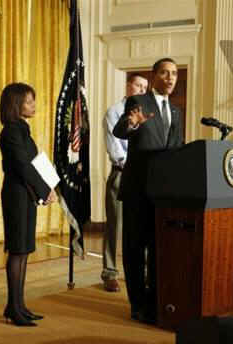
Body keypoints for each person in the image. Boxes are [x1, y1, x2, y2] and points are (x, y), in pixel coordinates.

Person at [113, 58, 183, 323]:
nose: (170, 77)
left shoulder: (176, 112)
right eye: (165, 72)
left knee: (158, 249)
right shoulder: (139, 103)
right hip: (137, 190)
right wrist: (133, 124)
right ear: (154, 76)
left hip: (163, 192)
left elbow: (176, 149)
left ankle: (155, 300)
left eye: (174, 73)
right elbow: (120, 130)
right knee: (134, 250)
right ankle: (138, 304)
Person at [0, 83, 57, 327]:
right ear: (16, 104)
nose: (34, 105)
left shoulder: (22, 130)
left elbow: (34, 163)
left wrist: (50, 186)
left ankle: (18, 305)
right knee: (17, 249)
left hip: (26, 194)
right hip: (17, 195)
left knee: (24, 250)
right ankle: (13, 307)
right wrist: (45, 189)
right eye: (29, 101)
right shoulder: (12, 132)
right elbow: (24, 166)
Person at [101, 73, 148, 292]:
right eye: (138, 85)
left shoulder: (146, 113)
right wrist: (132, 162)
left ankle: (144, 271)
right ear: (128, 86)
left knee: (142, 224)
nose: (141, 90)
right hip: (122, 172)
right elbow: (115, 148)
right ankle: (110, 272)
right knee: (115, 224)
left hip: (144, 174)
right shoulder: (114, 112)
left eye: (145, 87)